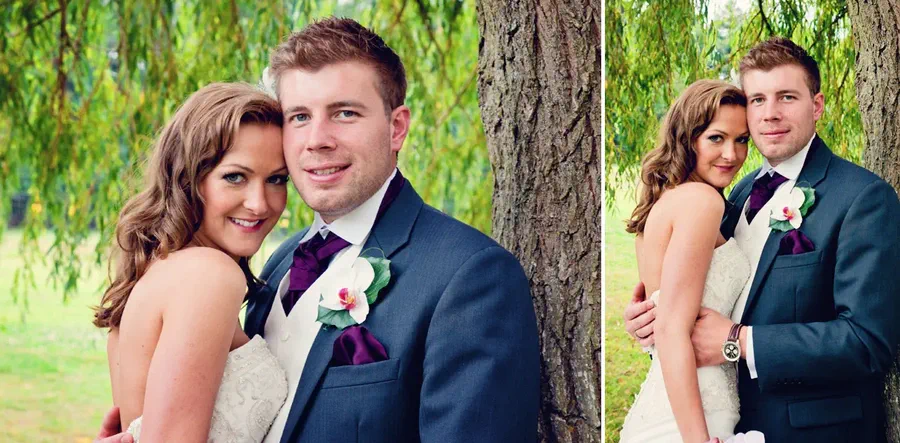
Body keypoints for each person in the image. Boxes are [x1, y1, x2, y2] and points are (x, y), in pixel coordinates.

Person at [96, 17, 541, 443]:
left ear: (396, 127)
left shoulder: (470, 277)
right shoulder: (276, 265)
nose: (317, 140)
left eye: (344, 113)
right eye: (299, 116)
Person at [624, 37, 900, 442]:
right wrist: (651, 319)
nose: (770, 113)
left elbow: (867, 342)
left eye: (786, 97)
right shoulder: (735, 193)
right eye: (757, 99)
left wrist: (738, 342)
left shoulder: (863, 198)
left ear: (817, 105)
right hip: (719, 423)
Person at [92, 83, 291, 442]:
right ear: (187, 179)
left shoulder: (154, 276)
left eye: (276, 179)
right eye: (235, 177)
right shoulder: (210, 275)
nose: (260, 203)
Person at [618, 80, 751, 442]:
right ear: (687, 138)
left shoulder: (660, 205)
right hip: (692, 419)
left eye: (742, 140)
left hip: (675, 404)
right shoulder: (702, 202)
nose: (732, 154)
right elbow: (670, 329)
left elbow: (659, 323)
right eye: (716, 138)